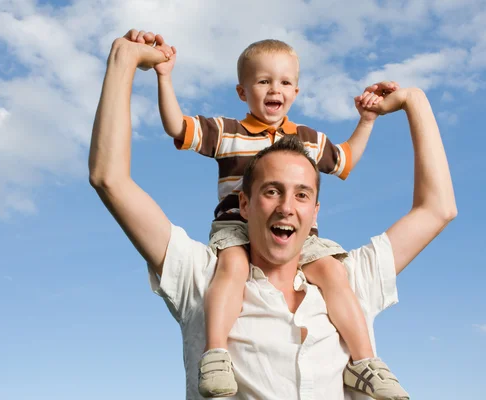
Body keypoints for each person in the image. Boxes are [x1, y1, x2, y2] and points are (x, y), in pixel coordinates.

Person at [89, 30, 457, 400]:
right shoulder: (205, 277)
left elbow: (437, 208)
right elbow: (111, 179)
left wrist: (413, 100)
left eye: (301, 194)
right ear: (244, 203)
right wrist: (126, 61)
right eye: (271, 191)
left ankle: (366, 365)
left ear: (316, 210)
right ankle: (215, 355)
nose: (286, 207)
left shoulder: (346, 279)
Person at [153, 35, 404, 398]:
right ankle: (216, 353)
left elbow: (346, 160)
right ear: (243, 92)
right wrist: (164, 76)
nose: (275, 88)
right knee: (233, 270)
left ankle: (364, 362)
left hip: (299, 238)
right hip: (237, 229)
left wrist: (367, 119)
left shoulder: (308, 140)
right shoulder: (228, 132)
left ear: (296, 92)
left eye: (285, 82)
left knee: (333, 272)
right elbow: (177, 126)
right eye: (263, 81)